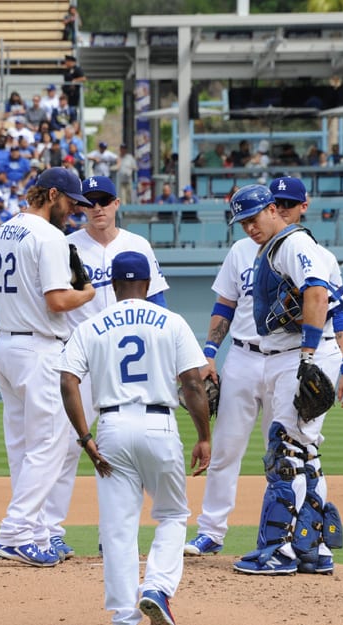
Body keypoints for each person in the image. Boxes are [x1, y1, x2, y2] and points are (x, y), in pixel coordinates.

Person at [184, 177, 343, 572]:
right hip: (262, 355)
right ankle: (312, 548)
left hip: (298, 354)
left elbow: (318, 294)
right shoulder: (270, 248)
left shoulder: (294, 245)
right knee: (302, 454)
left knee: (286, 453)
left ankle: (281, 548)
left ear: (276, 209)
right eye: (242, 221)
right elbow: (229, 303)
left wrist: (311, 355)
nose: (249, 227)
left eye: (254, 217)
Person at [57, 251, 211, 625]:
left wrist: (84, 438)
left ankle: (125, 615)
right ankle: (157, 587)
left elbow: (67, 381)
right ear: (148, 284)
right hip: (159, 424)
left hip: (110, 428)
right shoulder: (171, 322)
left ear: (112, 285)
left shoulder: (91, 326)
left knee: (118, 527)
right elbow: (192, 382)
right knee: (173, 513)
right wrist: (204, 436)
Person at [0, 167, 95, 567]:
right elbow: (58, 301)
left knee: (23, 447)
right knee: (50, 445)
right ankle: (16, 533)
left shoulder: (3, 230)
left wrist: (7, 317)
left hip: (7, 346)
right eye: (71, 203)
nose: (74, 212)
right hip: (40, 350)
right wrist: (86, 293)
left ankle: (35, 532)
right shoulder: (49, 237)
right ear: (53, 194)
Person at [45, 175, 170, 560]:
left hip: (125, 364)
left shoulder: (138, 245)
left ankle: (113, 536)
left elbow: (159, 301)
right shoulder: (64, 246)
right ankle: (49, 532)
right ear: (81, 206)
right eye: (90, 201)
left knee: (121, 447)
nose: (97, 208)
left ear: (117, 204)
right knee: (65, 447)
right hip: (79, 355)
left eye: (105, 200)